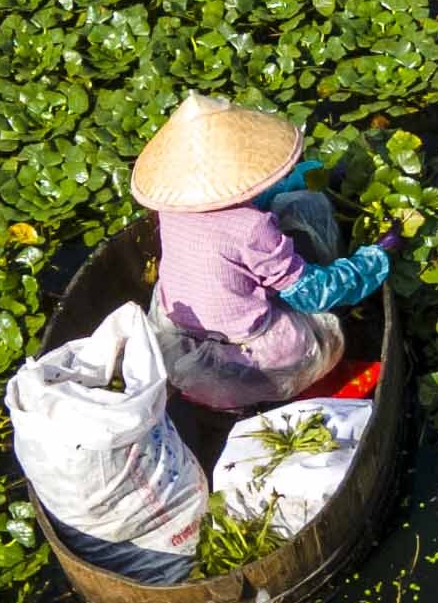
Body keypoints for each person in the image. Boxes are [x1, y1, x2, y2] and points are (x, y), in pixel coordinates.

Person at [133, 95, 393, 414]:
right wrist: (375, 258)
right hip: (254, 358)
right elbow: (313, 295)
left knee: (286, 208)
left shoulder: (170, 206)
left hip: (178, 342)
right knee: (309, 209)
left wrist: (287, 186)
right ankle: (289, 383)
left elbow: (221, 222)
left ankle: (224, 397)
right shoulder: (251, 228)